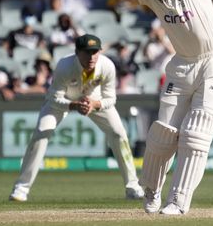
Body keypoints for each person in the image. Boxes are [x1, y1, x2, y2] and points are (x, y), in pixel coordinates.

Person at [97, 0, 213, 214]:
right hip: (181, 66)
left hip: (212, 63)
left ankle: (178, 202)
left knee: (196, 135)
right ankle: (152, 192)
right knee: (162, 135)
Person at [9, 34, 144, 202]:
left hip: (94, 100)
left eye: (95, 52)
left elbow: (111, 98)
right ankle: (21, 188)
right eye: (87, 52)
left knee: (119, 133)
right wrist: (73, 105)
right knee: (40, 134)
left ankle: (133, 187)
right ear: (77, 52)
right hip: (64, 101)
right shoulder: (65, 66)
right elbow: (53, 98)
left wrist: (95, 104)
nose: (92, 57)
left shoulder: (107, 65)